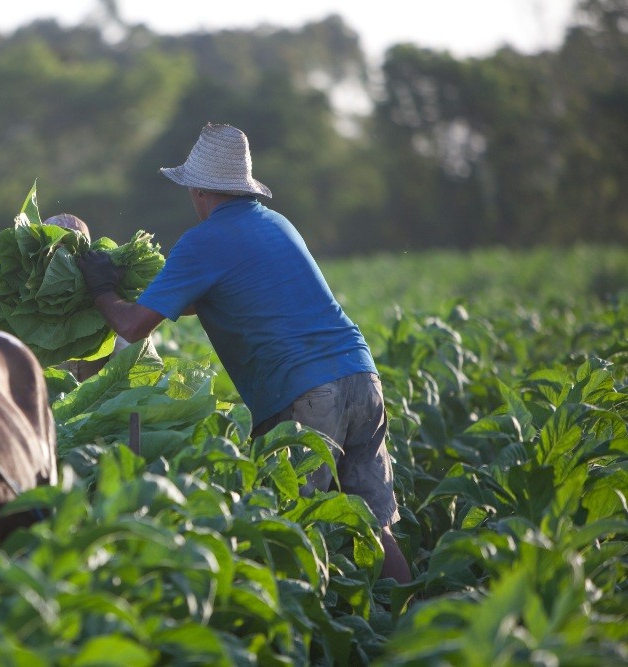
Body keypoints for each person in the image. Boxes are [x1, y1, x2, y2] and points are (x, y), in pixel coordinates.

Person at [77, 123, 412, 584]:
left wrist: (103, 290)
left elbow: (132, 327)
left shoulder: (202, 241)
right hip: (361, 376)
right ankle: (410, 625)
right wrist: (144, 291)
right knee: (375, 526)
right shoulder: (278, 224)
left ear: (197, 190)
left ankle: (298, 641)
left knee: (287, 533)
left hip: (308, 395)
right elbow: (204, 300)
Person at [43, 213, 132, 381]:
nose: (60, 258)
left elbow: (131, 366)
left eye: (69, 248)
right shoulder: (20, 306)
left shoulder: (106, 310)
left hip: (100, 405)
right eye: (53, 249)